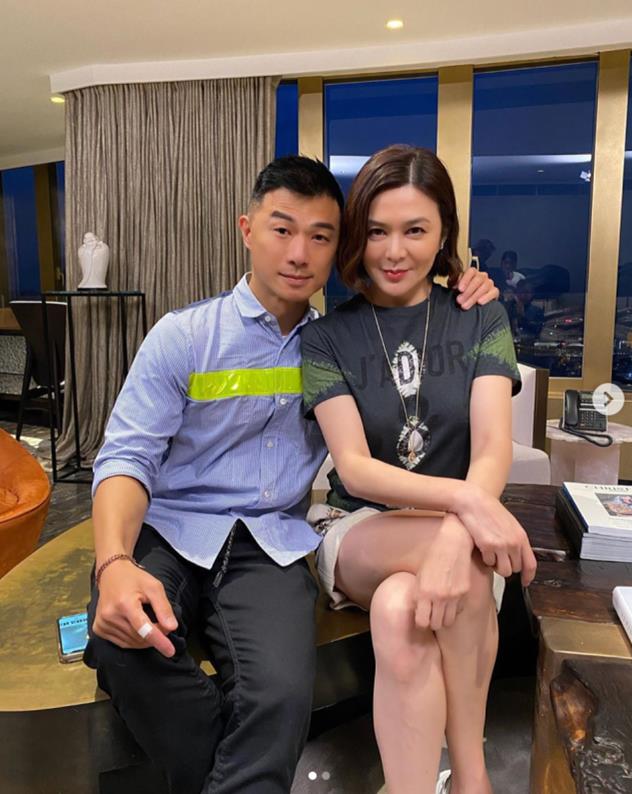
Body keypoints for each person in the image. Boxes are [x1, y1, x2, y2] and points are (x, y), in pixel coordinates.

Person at [84, 154, 500, 794]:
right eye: (282, 230)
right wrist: (113, 561)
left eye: (321, 236)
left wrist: (469, 286)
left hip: (269, 542)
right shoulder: (184, 336)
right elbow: (125, 456)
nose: (299, 253)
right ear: (247, 230)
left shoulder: (327, 343)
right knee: (125, 640)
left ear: (338, 249)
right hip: (168, 530)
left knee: (279, 693)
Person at [301, 145, 537, 794]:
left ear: (444, 234)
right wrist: (465, 515)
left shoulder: (481, 316)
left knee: (401, 609)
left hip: (462, 537)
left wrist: (456, 530)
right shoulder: (326, 337)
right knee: (447, 564)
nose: (394, 251)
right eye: (377, 231)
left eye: (415, 230)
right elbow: (355, 468)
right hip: (359, 526)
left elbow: (492, 447)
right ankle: (473, 779)